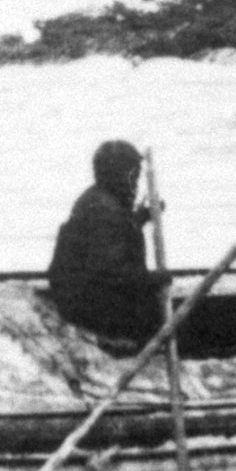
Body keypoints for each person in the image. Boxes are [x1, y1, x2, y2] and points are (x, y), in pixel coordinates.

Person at [45, 140, 169, 349]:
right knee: (150, 310)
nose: (135, 186)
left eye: (136, 178)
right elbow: (113, 274)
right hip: (90, 306)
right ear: (115, 175)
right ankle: (126, 341)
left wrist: (142, 216)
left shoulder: (95, 199)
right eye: (132, 177)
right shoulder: (105, 211)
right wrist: (155, 279)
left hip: (78, 296)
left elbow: (117, 233)